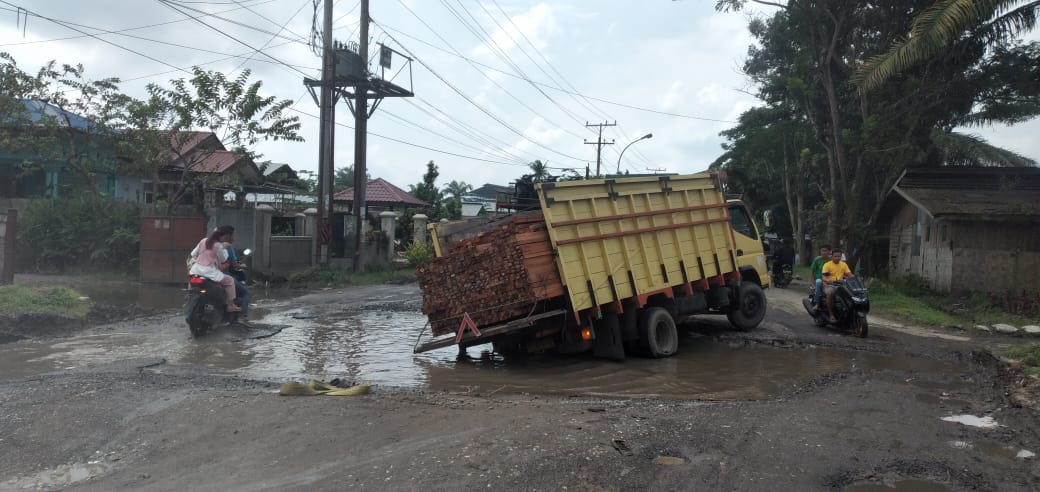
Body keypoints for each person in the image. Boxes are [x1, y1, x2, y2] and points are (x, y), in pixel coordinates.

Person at [189, 225, 240, 313]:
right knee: (230, 281)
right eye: (231, 236)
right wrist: (224, 248)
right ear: (226, 236)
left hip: (196, 270)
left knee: (191, 281)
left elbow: (193, 254)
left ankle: (189, 299)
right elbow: (224, 259)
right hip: (209, 272)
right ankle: (230, 305)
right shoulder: (219, 246)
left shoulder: (203, 241)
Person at [222, 234, 251, 323]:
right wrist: (241, 265)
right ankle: (243, 316)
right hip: (222, 276)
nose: (233, 239)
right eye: (232, 235)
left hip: (206, 275)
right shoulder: (227, 247)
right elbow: (234, 264)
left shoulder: (210, 245)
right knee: (246, 292)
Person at [821, 249, 854, 322]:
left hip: (841, 285)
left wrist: (855, 279)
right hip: (829, 285)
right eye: (835, 256)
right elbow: (824, 277)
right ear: (832, 256)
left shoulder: (843, 264)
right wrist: (829, 281)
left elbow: (849, 274)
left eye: (839, 256)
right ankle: (831, 314)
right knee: (830, 293)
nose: (837, 258)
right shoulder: (827, 265)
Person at [808, 244, 832, 309]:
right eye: (822, 251)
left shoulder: (832, 260)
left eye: (825, 251)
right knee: (818, 282)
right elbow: (812, 272)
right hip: (820, 279)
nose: (824, 252)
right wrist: (812, 283)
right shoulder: (817, 259)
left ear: (829, 252)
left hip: (830, 280)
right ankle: (817, 303)